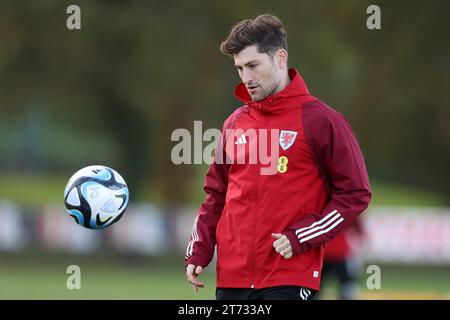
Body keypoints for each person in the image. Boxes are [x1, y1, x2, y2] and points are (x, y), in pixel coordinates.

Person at [185, 14, 371, 300]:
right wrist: (200, 249)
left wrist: (302, 236)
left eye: (253, 66)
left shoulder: (323, 121)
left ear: (280, 58)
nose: (246, 77)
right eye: (239, 68)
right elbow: (215, 196)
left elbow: (356, 193)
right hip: (231, 280)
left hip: (290, 278)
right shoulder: (234, 123)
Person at [317, 218, 366, 300]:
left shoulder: (322, 209)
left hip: (324, 252)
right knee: (346, 283)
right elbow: (359, 230)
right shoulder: (345, 209)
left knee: (317, 285)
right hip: (339, 254)